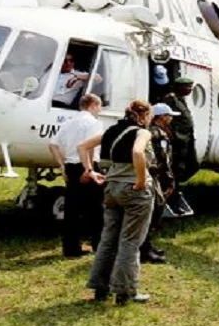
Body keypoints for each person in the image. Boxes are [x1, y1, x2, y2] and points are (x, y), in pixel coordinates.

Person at [79, 100, 157, 305]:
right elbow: (138, 153)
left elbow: (83, 146)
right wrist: (140, 181)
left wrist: (89, 171)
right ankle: (125, 291)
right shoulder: (142, 133)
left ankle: (100, 287)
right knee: (130, 241)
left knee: (108, 239)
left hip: (111, 189)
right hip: (133, 191)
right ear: (143, 115)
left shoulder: (111, 131)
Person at [47, 93, 104, 257]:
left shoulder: (67, 123)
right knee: (96, 208)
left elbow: (53, 145)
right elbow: (88, 147)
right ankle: (98, 244)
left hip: (71, 166)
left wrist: (62, 165)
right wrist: (89, 169)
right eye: (99, 106)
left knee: (72, 209)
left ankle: (71, 248)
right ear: (93, 105)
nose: (99, 110)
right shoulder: (94, 123)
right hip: (87, 165)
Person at [141, 103, 179, 264]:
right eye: (169, 115)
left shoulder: (148, 132)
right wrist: (170, 181)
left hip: (149, 175)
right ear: (162, 117)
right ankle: (144, 250)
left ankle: (146, 246)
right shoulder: (159, 134)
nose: (170, 119)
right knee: (154, 211)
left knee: (150, 212)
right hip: (156, 177)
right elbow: (164, 160)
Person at [158, 75, 199, 214]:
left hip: (185, 140)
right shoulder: (171, 98)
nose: (190, 90)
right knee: (175, 170)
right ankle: (171, 199)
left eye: (191, 87)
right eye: (187, 87)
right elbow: (165, 119)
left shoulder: (180, 99)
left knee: (191, 166)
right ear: (179, 87)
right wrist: (171, 136)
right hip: (178, 141)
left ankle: (174, 193)